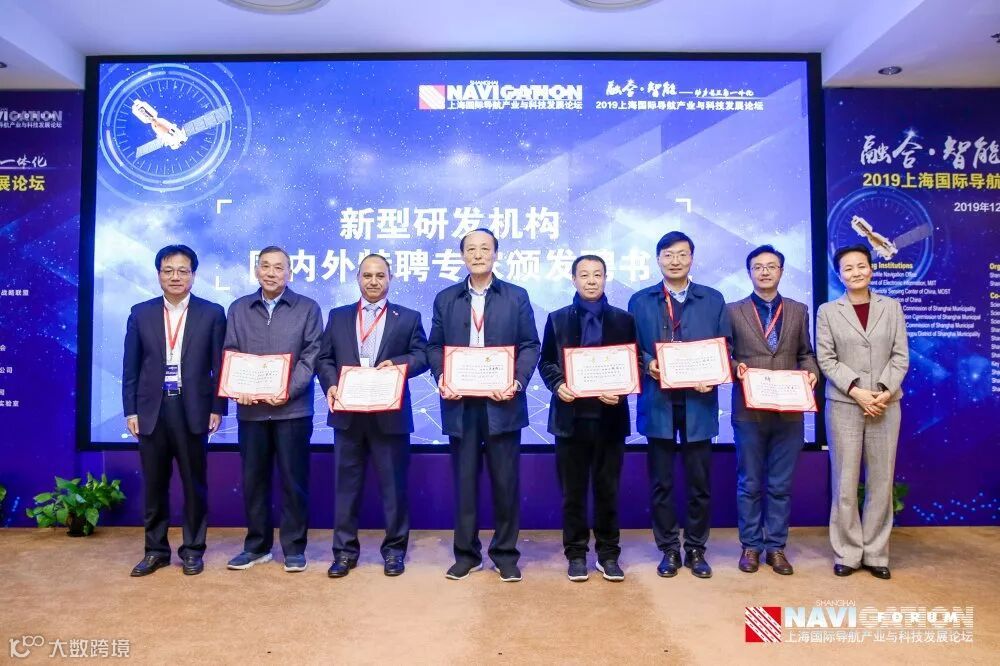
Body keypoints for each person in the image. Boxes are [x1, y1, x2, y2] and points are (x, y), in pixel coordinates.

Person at [426, 228, 540, 582]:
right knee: (465, 484)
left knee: (505, 484)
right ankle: (466, 555)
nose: (478, 254)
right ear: (462, 256)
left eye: (485, 248)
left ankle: (505, 554)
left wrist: (516, 382)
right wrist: (442, 376)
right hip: (461, 407)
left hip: (502, 405)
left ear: (495, 254)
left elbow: (530, 344)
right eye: (471, 249)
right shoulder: (446, 298)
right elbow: (434, 346)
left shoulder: (516, 296)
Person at [628, 230, 732, 579]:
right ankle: (669, 549)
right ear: (658, 259)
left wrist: (714, 374)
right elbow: (631, 348)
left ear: (692, 258)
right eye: (668, 255)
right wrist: (648, 364)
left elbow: (726, 347)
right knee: (662, 482)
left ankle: (697, 549)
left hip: (698, 402)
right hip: (658, 400)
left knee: (699, 483)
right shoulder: (640, 300)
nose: (675, 261)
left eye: (682, 254)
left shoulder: (713, 299)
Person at [316, 254, 428, 578]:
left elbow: (423, 355)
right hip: (348, 416)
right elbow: (324, 358)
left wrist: (399, 365)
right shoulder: (338, 316)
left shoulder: (408, 317)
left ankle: (394, 552)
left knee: (394, 489)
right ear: (358, 279)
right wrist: (331, 384)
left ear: (390, 279)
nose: (374, 281)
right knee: (346, 489)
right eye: (367, 275)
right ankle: (344, 553)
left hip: (390, 416)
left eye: (380, 275)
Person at [123, 244, 226, 577]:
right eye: (168, 270)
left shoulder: (212, 313)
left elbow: (219, 365)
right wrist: (130, 411)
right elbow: (131, 367)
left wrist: (217, 407)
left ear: (193, 275)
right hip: (151, 410)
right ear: (158, 275)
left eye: (183, 270)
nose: (175, 277)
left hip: (192, 408)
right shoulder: (140, 313)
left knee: (194, 484)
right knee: (154, 485)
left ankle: (193, 550)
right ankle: (155, 551)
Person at [224, 246, 323, 573]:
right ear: (256, 271)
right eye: (265, 266)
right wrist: (238, 388)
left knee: (294, 482)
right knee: (254, 481)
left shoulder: (307, 308)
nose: (271, 273)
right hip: (251, 412)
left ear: (289, 273)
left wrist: (287, 390)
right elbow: (231, 353)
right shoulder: (239, 308)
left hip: (292, 412)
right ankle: (257, 547)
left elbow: (312, 356)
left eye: (278, 267)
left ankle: (294, 548)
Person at [538, 255, 635, 582]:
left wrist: (621, 389)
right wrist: (558, 385)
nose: (591, 280)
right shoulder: (557, 319)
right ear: (574, 279)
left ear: (606, 278)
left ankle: (608, 554)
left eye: (597, 275)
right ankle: (576, 553)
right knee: (573, 493)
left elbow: (633, 364)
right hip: (570, 420)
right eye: (584, 275)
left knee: (608, 491)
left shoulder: (624, 320)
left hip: (610, 419)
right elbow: (546, 361)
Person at [816, 244, 909, 580]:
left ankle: (876, 553)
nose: (855, 272)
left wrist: (883, 391)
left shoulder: (892, 307)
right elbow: (826, 359)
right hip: (845, 404)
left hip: (886, 404)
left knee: (881, 481)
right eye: (848, 268)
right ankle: (848, 552)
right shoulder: (828, 311)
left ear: (871, 269)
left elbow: (900, 356)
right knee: (845, 481)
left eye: (861, 266)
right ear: (839, 275)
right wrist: (856, 391)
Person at [728, 244, 819, 575]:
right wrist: (735, 366)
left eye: (771, 266)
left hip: (789, 410)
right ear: (749, 272)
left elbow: (806, 353)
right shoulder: (732, 311)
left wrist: (811, 372)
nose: (764, 271)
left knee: (780, 484)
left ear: (781, 271)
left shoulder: (798, 309)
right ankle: (751, 546)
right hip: (748, 410)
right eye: (758, 266)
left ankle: (776, 547)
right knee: (749, 483)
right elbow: (726, 352)